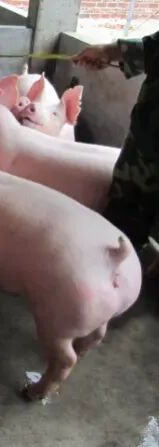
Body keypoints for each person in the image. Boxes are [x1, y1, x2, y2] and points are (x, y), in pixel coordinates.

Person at [73, 32, 159, 275]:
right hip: (146, 146)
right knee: (123, 217)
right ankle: (107, 273)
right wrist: (108, 51)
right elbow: (153, 48)